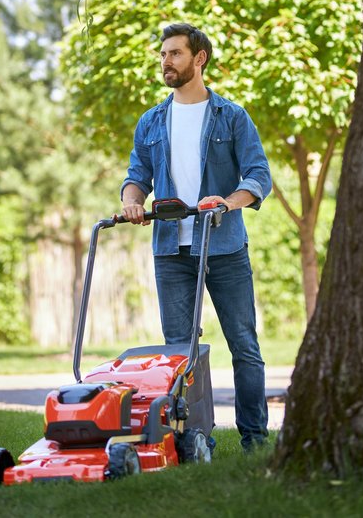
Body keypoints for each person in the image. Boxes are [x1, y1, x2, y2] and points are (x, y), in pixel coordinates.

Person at [121, 22, 272, 452]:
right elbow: (136, 177)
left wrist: (225, 202)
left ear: (198, 58)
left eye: (174, 54)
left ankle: (254, 441)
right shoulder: (151, 121)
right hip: (171, 250)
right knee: (177, 354)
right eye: (163, 55)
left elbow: (259, 175)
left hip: (224, 248)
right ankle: (189, 443)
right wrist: (133, 201)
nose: (165, 62)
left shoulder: (231, 116)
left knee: (244, 345)